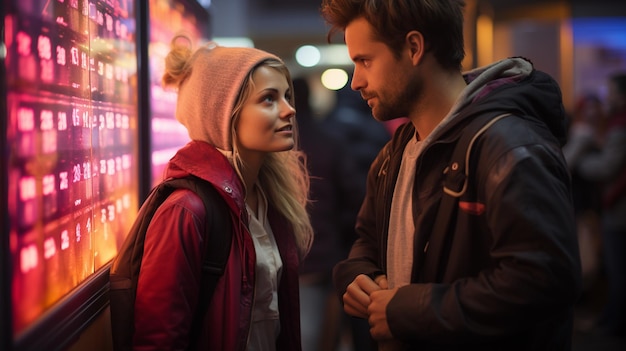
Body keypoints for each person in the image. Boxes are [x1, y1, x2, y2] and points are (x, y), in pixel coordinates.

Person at [320, 1, 582, 350]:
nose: (356, 82)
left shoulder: (506, 146)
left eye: (365, 60)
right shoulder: (394, 153)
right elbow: (367, 240)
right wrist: (357, 277)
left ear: (414, 47)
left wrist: (408, 310)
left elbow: (543, 281)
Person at [132, 35, 313, 350]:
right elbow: (159, 339)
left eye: (286, 96)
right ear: (223, 113)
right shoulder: (186, 210)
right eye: (269, 99)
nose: (289, 110)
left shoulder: (270, 198)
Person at [574, 73, 626, 338]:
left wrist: (582, 164)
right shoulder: (596, 130)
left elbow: (607, 167)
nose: (608, 100)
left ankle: (612, 323)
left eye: (612, 93)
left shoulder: (616, 127)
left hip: (614, 211)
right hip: (593, 209)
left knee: (614, 269)